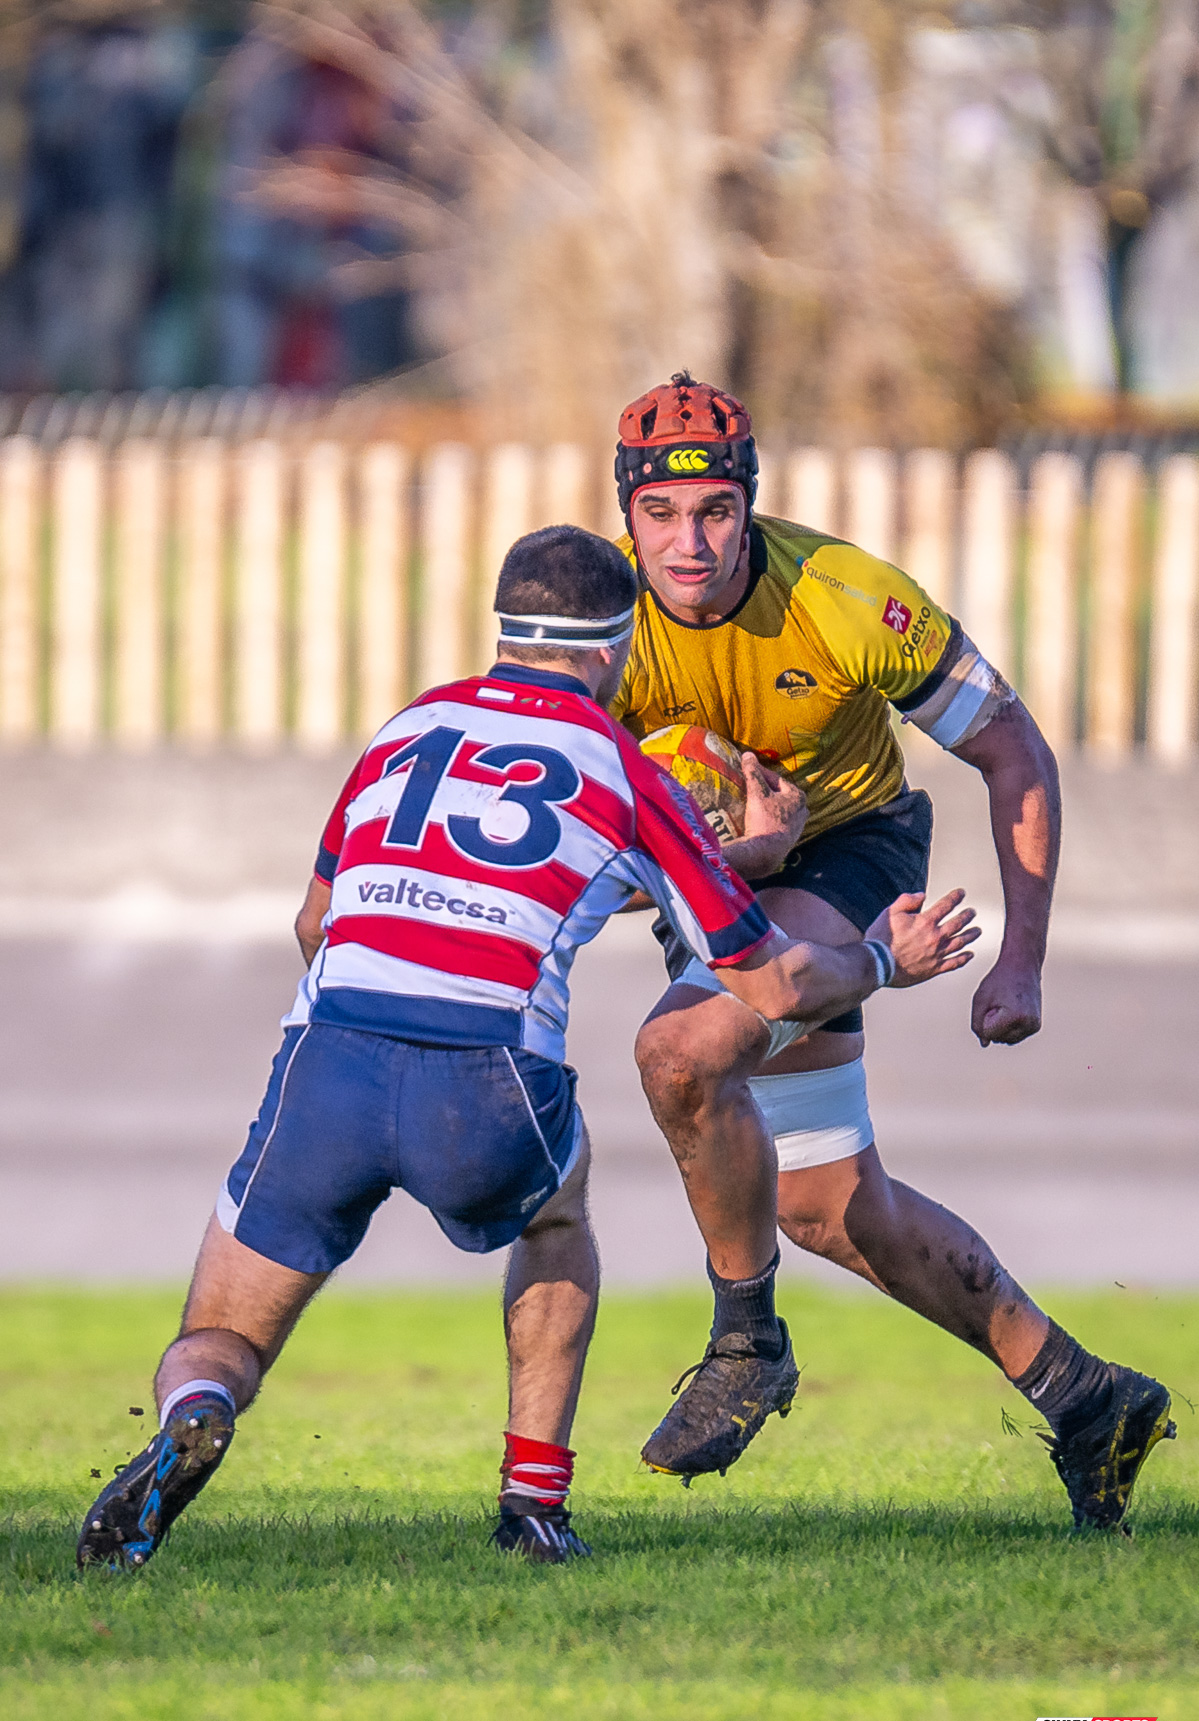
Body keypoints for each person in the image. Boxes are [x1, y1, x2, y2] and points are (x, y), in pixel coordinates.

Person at [77, 524, 975, 1573]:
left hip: (328, 1063)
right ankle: (532, 1507)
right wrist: (879, 958)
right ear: (616, 645)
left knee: (223, 1328)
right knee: (556, 1218)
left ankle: (195, 1411)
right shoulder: (623, 768)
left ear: (505, 628)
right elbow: (773, 979)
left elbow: (315, 924)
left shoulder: (408, 728)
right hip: (483, 1075)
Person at [610, 373, 1174, 1531]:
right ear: (626, 516)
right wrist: (733, 859)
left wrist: (1021, 961)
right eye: (660, 516)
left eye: (713, 510)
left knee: (679, 1051)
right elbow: (587, 848)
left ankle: (743, 1341)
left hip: (856, 847)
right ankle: (1084, 1396)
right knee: (823, 1206)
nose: (688, 541)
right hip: (730, 875)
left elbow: (1013, 753)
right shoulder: (605, 636)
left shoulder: (846, 596)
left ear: (749, 504)